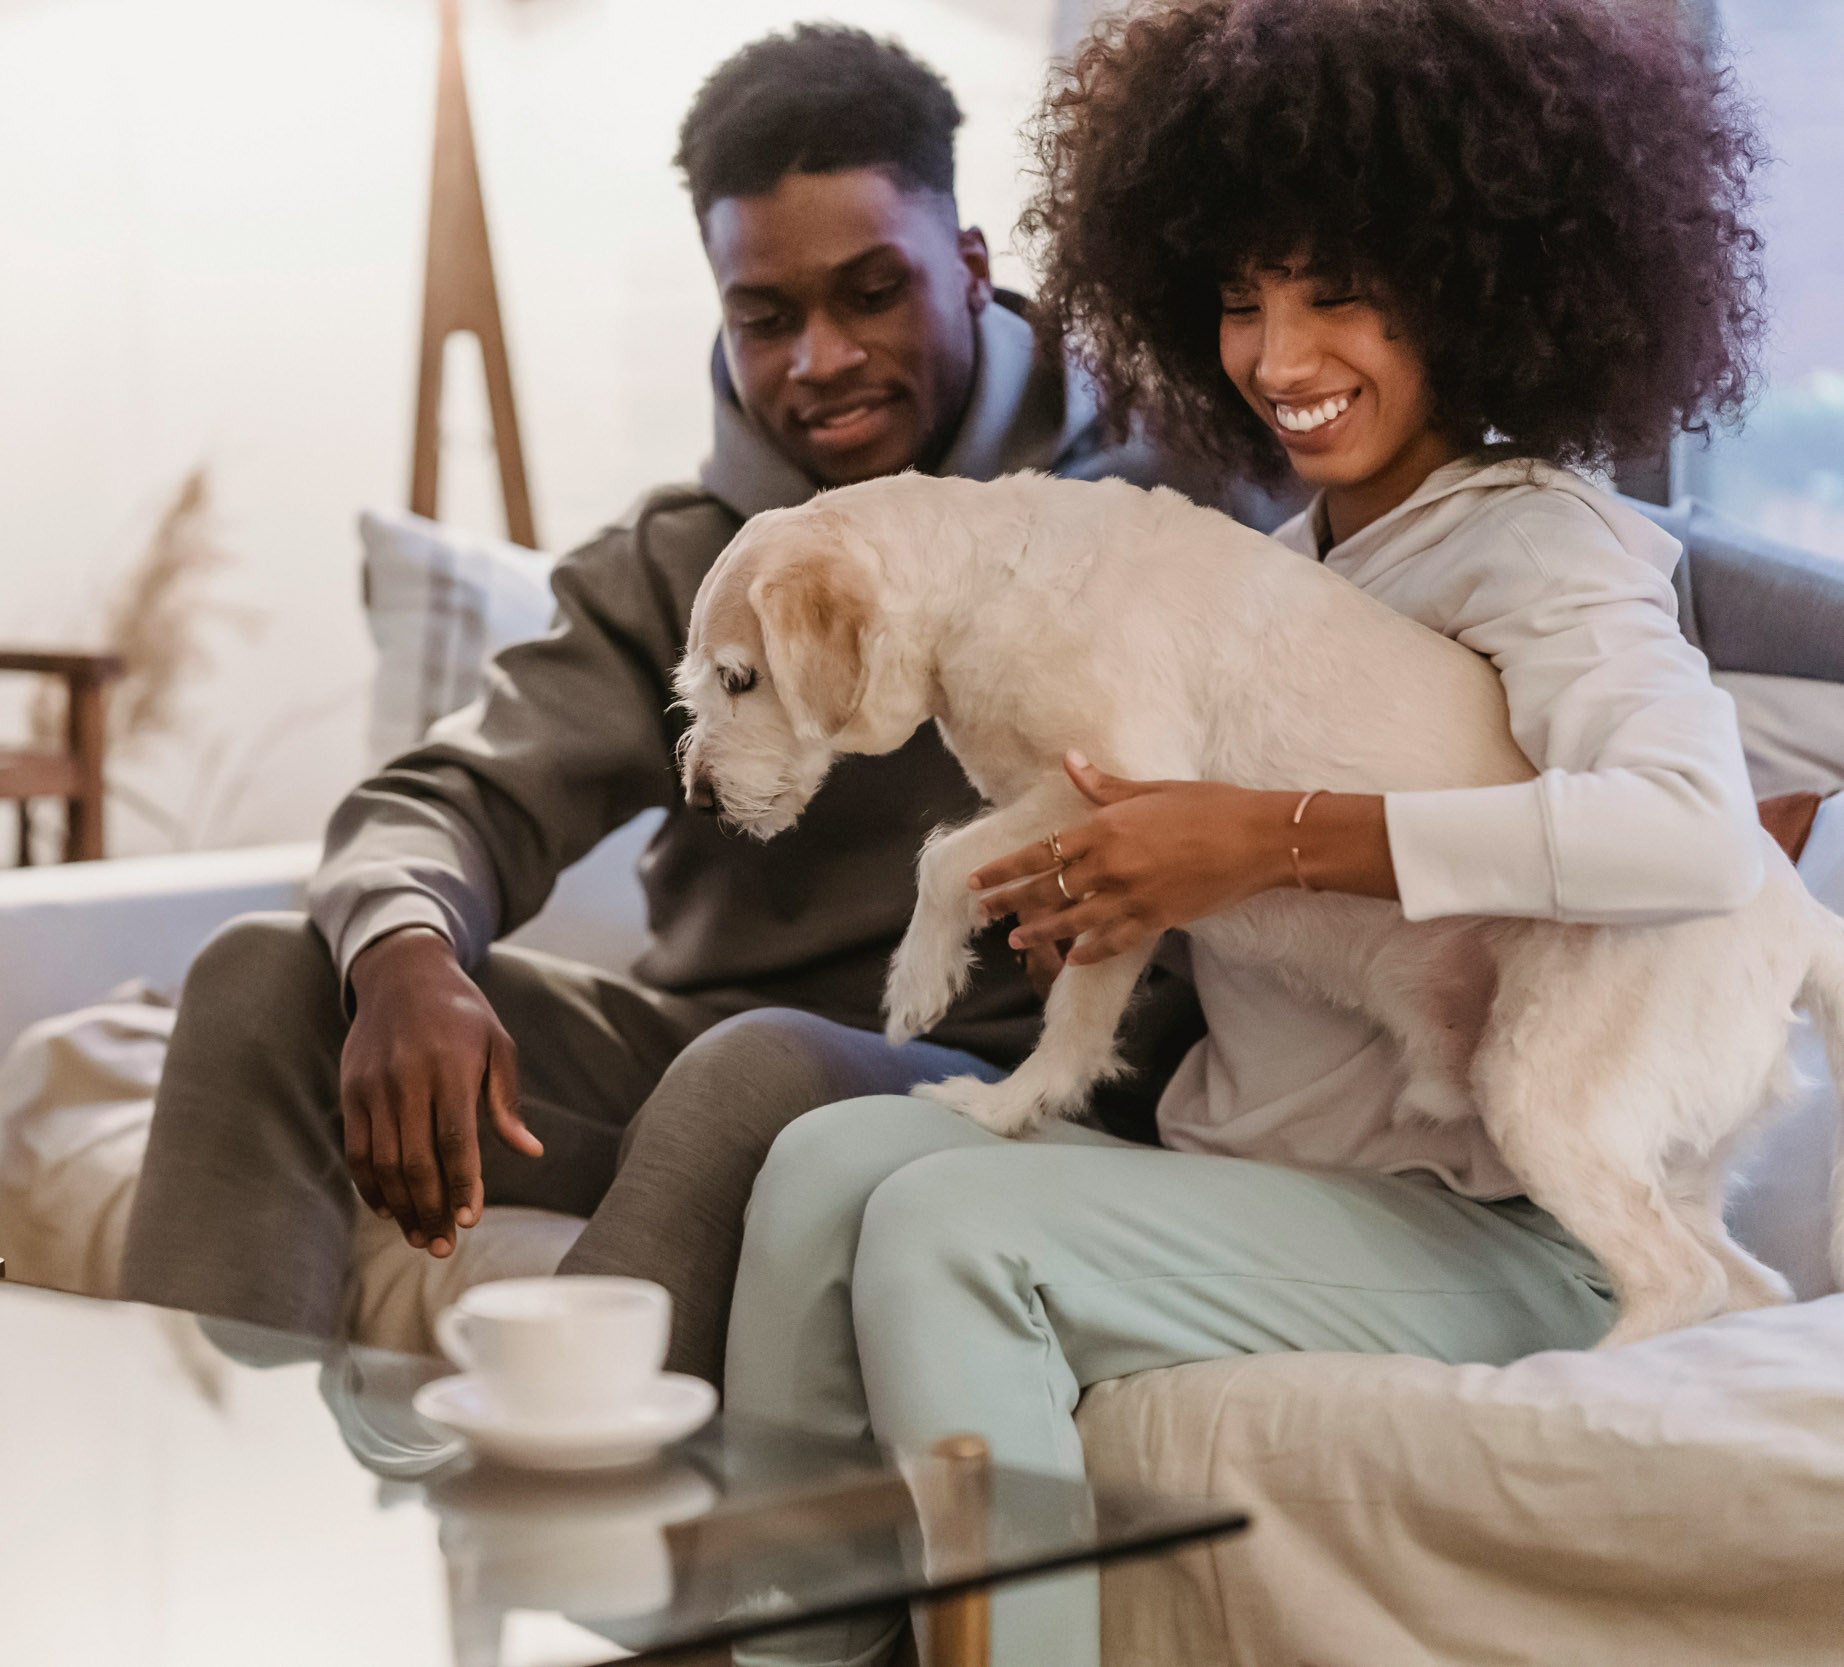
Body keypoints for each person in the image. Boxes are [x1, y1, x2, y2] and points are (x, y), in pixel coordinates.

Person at [719, 2, 1844, 1663]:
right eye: (1242, 300)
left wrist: (1274, 837)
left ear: (1473, 284)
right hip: (1272, 1186)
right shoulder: (1298, 563)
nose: (1279, 355)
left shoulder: (1543, 545)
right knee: (817, 1161)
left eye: (1342, 294)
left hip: (1500, 1218)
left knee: (952, 1232)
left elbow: (1691, 832)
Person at [117, 25, 1217, 1379]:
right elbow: (447, 795)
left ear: (972, 269)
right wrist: (403, 950)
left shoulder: (1162, 510)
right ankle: (215, 1519)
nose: (819, 359)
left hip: (1011, 1086)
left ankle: (558, 1534)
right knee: (270, 976)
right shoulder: (682, 563)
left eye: (872, 293)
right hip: (709, 1074)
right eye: (767, 317)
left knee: (751, 1070)